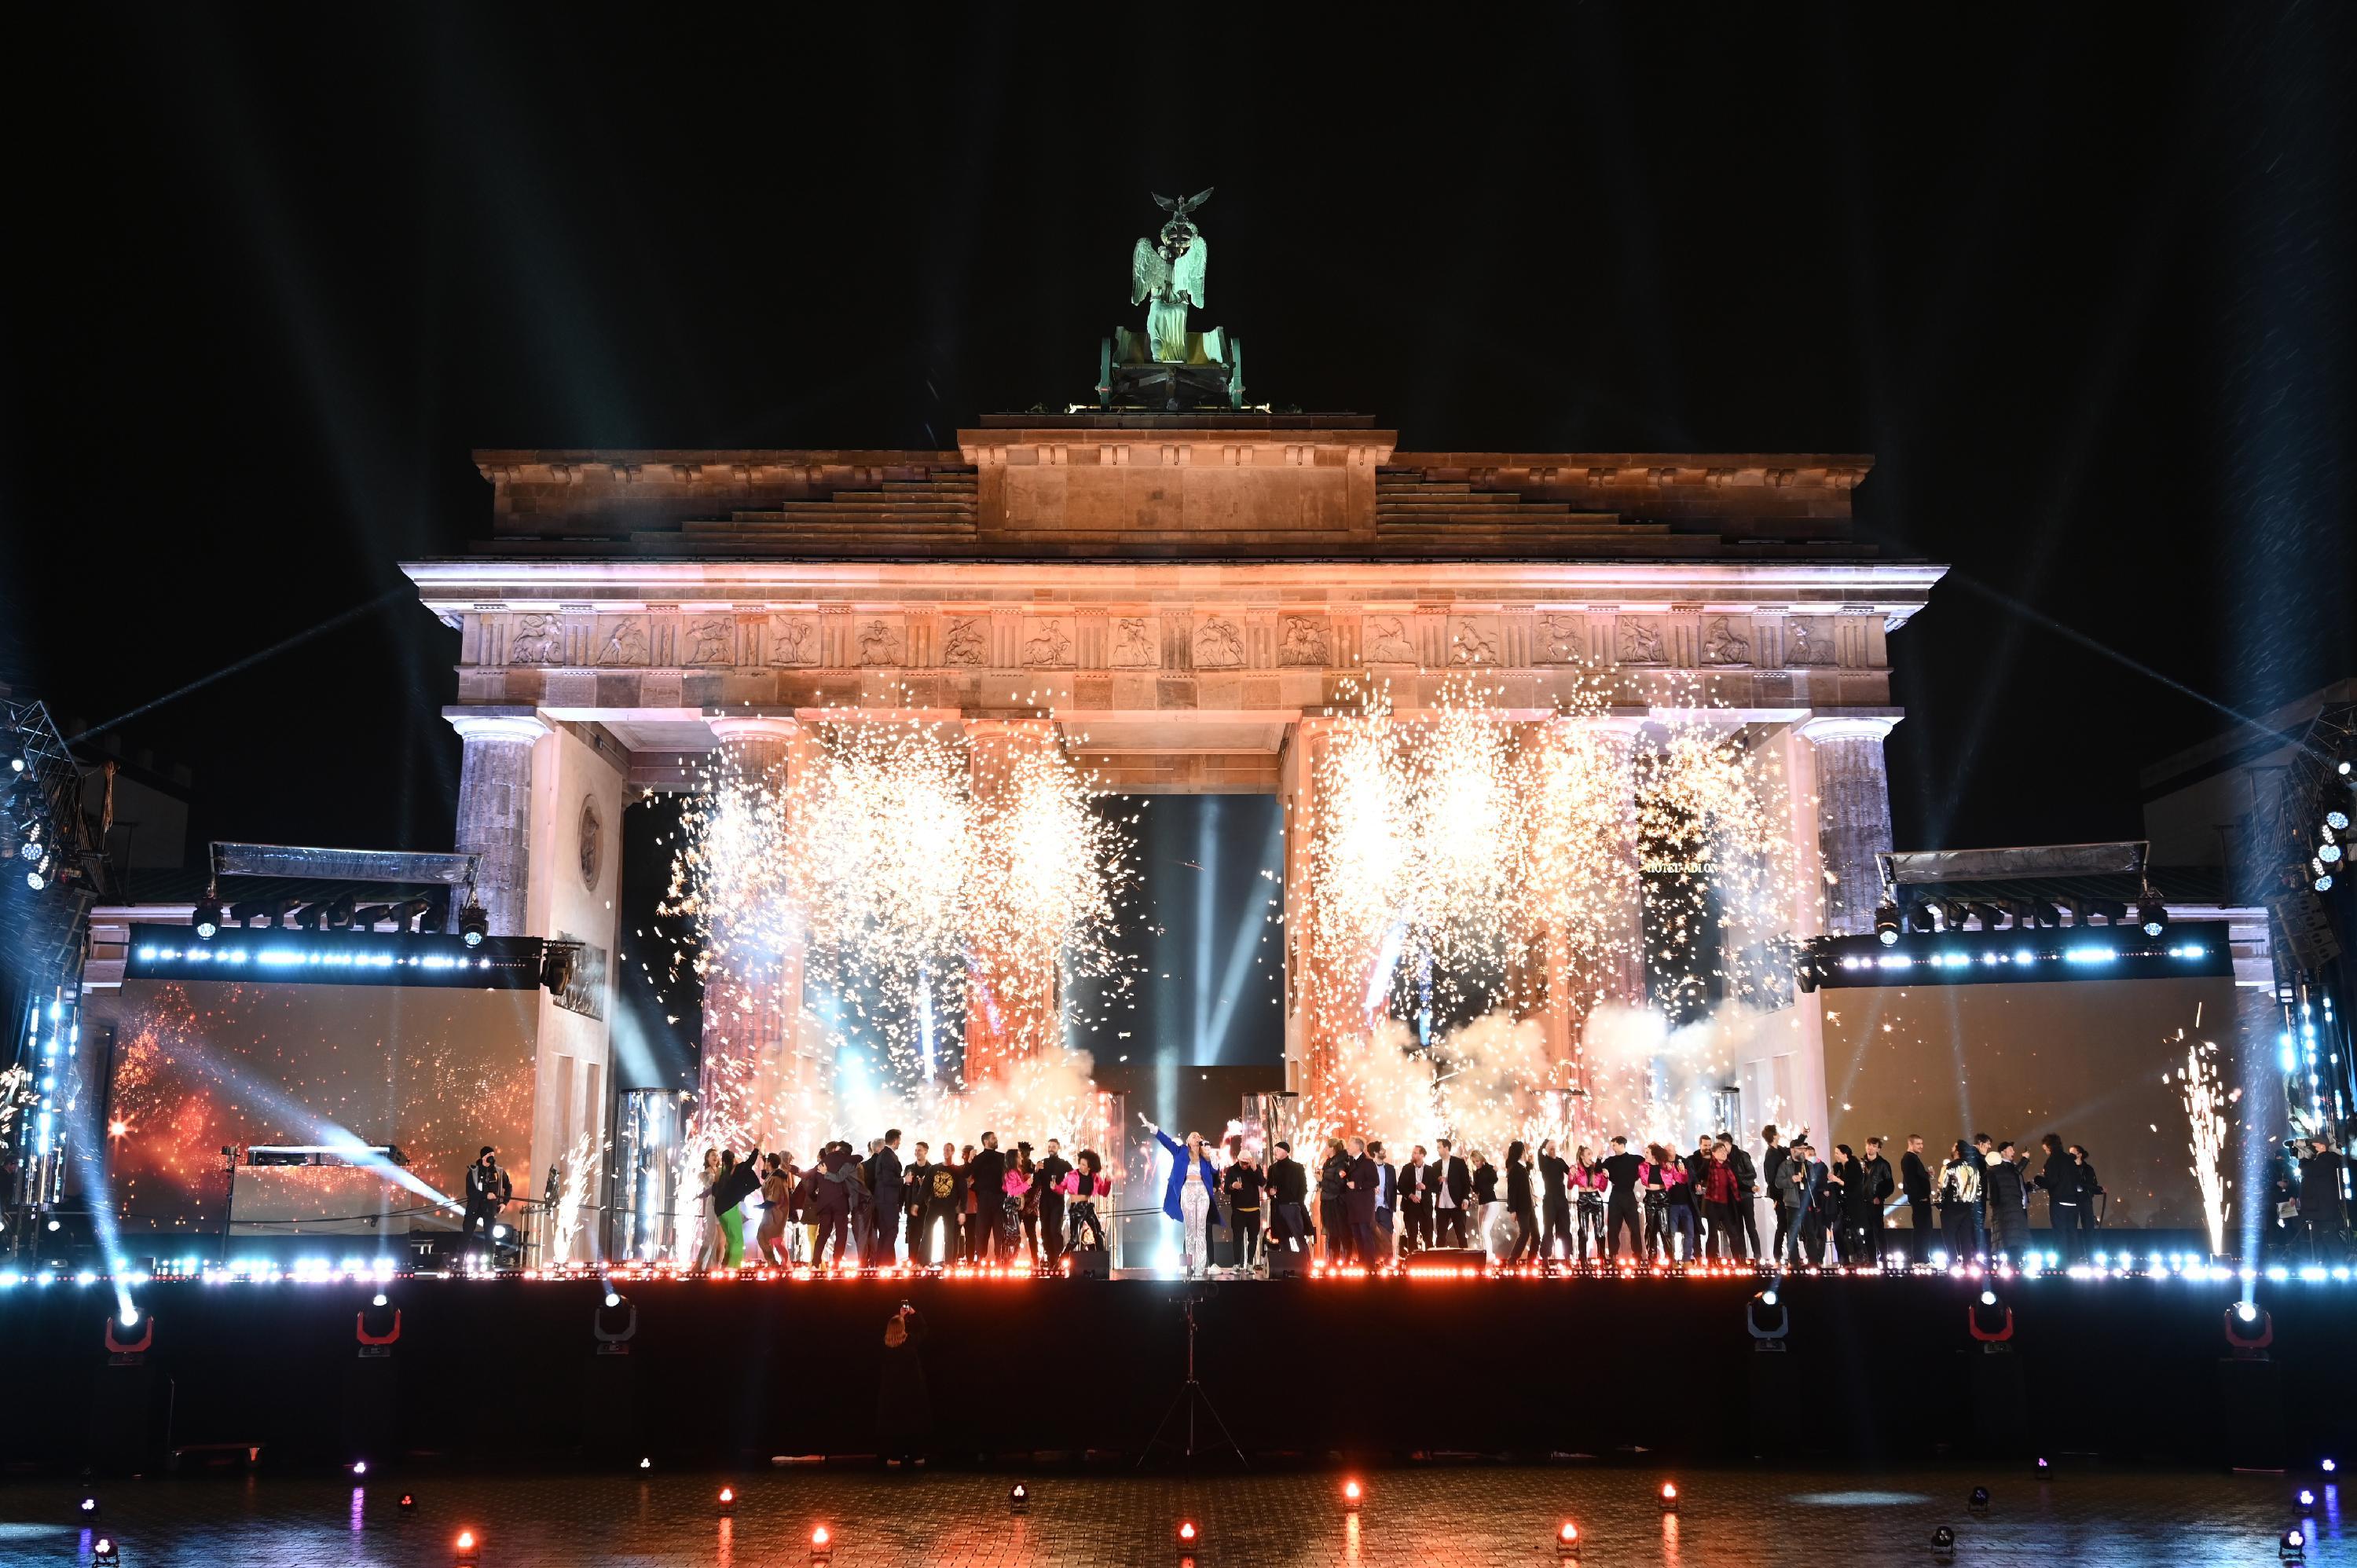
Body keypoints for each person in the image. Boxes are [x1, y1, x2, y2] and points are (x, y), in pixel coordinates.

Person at [1142, 1115, 1222, 1276]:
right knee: (1190, 1230)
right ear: (1188, 1140)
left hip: (1202, 1192)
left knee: (1201, 1230)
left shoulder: (1205, 1157)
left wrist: (1210, 1153)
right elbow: (1166, 1142)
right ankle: (1188, 1265)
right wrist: (1154, 1129)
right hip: (1188, 1191)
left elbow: (1215, 1170)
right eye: (1193, 1135)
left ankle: (1200, 1267)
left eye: (1198, 1136)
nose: (1196, 1137)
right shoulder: (1181, 1151)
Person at [876, 1302, 931, 1467]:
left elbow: (894, 1330)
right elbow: (924, 1330)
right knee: (913, 1423)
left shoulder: (885, 1346)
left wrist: (900, 1317)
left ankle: (894, 1455)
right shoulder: (910, 1342)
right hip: (912, 1393)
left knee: (894, 1426)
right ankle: (916, 1455)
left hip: (891, 1395)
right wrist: (913, 1315)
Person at [2297, 1137, 2346, 1257]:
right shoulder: (2322, 1160)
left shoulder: (2326, 1159)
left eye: (2313, 1145)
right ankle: (2328, 1266)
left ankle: (2341, 1265)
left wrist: (2303, 1159)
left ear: (2322, 1146)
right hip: (2319, 1209)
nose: (2311, 1147)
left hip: (2323, 1210)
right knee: (2320, 1242)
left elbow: (2307, 1171)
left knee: (2330, 1241)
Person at [2035, 1133, 2080, 1260]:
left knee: (2060, 1233)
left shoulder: (2052, 1161)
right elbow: (2077, 1179)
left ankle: (2063, 1263)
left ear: (2048, 1146)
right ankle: (2075, 1260)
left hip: (2059, 1202)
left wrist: (2038, 1179)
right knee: (2072, 1232)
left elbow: (2051, 1182)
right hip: (2073, 1202)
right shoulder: (2070, 1160)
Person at [1222, 1149, 1266, 1273]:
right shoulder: (1232, 1170)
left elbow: (1262, 1182)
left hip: (1253, 1209)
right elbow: (1226, 1189)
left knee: (1253, 1238)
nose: (1245, 1166)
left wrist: (1255, 1169)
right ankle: (1236, 1264)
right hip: (1238, 1210)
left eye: (1247, 1163)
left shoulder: (1254, 1168)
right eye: (1243, 1163)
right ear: (1238, 1160)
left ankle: (1250, 1264)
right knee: (1237, 1238)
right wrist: (1232, 1186)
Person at [1601, 1136, 1645, 1260]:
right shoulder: (1610, 1161)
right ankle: (1613, 1255)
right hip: (1615, 1194)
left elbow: (1647, 1165)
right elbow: (1599, 1169)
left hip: (1629, 1195)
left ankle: (1637, 1255)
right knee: (1613, 1227)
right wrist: (1601, 1161)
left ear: (1622, 1145)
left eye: (1614, 1145)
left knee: (1635, 1227)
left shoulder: (1635, 1159)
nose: (1612, 1147)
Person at [1985, 1139, 2029, 1259]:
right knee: (2015, 1238)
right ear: (2002, 1153)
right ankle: (2017, 1262)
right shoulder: (2006, 1169)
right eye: (2010, 1149)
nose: (2013, 1151)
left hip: (2009, 1207)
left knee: (2010, 1238)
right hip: (2013, 1206)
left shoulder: (1995, 1171)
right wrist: (2025, 1159)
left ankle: (2013, 1263)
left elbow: (1994, 1194)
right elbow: (2015, 1175)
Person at [464, 1146, 512, 1255]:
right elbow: (470, 1192)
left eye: (493, 1155)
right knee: (467, 1234)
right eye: (489, 1155)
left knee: (490, 1236)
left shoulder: (499, 1172)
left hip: (490, 1208)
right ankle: (460, 1260)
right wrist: (486, 1195)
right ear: (483, 1157)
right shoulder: (473, 1172)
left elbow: (508, 1187)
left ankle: (489, 1262)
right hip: (474, 1207)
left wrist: (504, 1203)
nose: (492, 1157)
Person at [968, 1133, 1007, 1262]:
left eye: (996, 1138)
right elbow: (966, 1175)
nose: (996, 1140)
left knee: (999, 1231)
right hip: (984, 1199)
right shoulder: (978, 1159)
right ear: (985, 1141)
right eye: (993, 1138)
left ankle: (999, 1259)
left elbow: (1011, 1175)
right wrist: (969, 1160)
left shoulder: (1003, 1157)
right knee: (981, 1231)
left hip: (1000, 1199)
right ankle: (980, 1259)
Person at [1267, 1140, 1311, 1254]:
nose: (1275, 1152)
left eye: (1278, 1150)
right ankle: (1288, 1264)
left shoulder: (1297, 1167)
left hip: (1292, 1206)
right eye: (1275, 1150)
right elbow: (1268, 1186)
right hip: (1278, 1206)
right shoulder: (1272, 1168)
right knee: (1282, 1237)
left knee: (1298, 1235)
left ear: (1286, 1151)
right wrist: (1270, 1191)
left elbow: (1303, 1187)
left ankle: (1305, 1262)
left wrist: (1297, 1202)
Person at [1700, 1139, 1742, 1260]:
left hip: (1726, 1205)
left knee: (1733, 1233)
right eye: (1720, 1151)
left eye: (1724, 1151)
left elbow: (1736, 1183)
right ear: (1714, 1153)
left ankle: (1738, 1259)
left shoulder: (1728, 1167)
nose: (1724, 1153)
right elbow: (1699, 1175)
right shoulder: (1709, 1166)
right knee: (1713, 1235)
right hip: (1713, 1204)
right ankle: (1710, 1260)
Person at [1938, 1139, 1980, 1258]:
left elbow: (1942, 1187)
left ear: (1957, 1151)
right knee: (1966, 1238)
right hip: (1968, 1207)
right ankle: (1968, 1265)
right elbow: (1978, 1190)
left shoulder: (1949, 1167)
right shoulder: (1973, 1169)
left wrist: (1939, 1203)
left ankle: (1952, 1264)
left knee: (1949, 1237)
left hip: (1951, 1207)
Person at [1722, 1129, 1761, 1261]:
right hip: (1733, 1197)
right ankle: (1742, 1257)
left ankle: (1757, 1256)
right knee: (1738, 1228)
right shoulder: (1724, 1160)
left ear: (1728, 1144)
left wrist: (1737, 1178)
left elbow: (1752, 1173)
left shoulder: (1742, 1155)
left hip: (1746, 1196)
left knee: (1751, 1227)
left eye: (1722, 1146)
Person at [1063, 1149, 1110, 1254]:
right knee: (1074, 1240)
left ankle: (1101, 1261)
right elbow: (1061, 1187)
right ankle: (1059, 1265)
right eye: (1080, 1163)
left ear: (1090, 1167)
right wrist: (1054, 1187)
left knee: (1098, 1233)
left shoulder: (1095, 1178)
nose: (1080, 1166)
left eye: (1083, 1165)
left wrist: (1108, 1181)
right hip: (1076, 1209)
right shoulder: (1072, 1175)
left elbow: (1104, 1193)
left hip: (1088, 1207)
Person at [1857, 1137, 1895, 1266]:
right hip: (1863, 1203)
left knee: (1878, 1230)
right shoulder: (1861, 1163)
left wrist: (1880, 1196)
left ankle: (1883, 1257)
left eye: (1874, 1146)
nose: (1870, 1147)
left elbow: (1890, 1185)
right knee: (1867, 1231)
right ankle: (1871, 1259)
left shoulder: (1883, 1164)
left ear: (1878, 1148)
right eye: (1869, 1145)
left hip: (1875, 1202)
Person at [1345, 1136, 1382, 1266]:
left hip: (1364, 1205)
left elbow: (1374, 1181)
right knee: (1357, 1235)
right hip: (1353, 1205)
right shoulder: (1349, 1162)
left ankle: (1369, 1263)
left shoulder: (1367, 1163)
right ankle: (1361, 1262)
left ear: (1357, 1147)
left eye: (1350, 1145)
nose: (1347, 1147)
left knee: (1365, 1233)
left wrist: (1358, 1185)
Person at [1502, 1140, 1540, 1263]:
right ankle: (1513, 1259)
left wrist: (1530, 1163)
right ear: (1521, 1152)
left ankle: (1531, 1259)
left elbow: (1526, 1174)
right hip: (1522, 1208)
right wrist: (1512, 1210)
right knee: (1525, 1233)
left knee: (1536, 1235)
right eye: (1524, 1150)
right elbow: (1511, 1191)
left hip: (1529, 1206)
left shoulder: (1520, 1167)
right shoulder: (1514, 1169)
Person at [871, 1129, 904, 1266]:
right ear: (896, 1140)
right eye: (899, 1140)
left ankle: (884, 1263)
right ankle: (883, 1264)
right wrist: (904, 1180)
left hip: (884, 1201)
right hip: (887, 1201)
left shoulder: (885, 1155)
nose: (900, 1143)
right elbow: (887, 1179)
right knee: (890, 1231)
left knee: (886, 1232)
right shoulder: (887, 1156)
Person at [1036, 1138, 1072, 1266]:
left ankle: (1057, 1257)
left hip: (1057, 1200)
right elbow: (1035, 1183)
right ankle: (1050, 1257)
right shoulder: (1042, 1163)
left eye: (1054, 1146)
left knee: (1054, 1230)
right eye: (1049, 1146)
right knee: (1045, 1230)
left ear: (1058, 1148)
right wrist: (1036, 1170)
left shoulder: (1063, 1164)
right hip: (1044, 1200)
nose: (1051, 1148)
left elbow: (1074, 1175)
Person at [1432, 1138, 1473, 1249]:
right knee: (1440, 1236)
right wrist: (1438, 1181)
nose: (1438, 1150)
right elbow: (1432, 1185)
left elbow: (1466, 1183)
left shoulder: (1459, 1163)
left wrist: (1465, 1199)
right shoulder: (1435, 1165)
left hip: (1457, 1204)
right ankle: (1438, 1262)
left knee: (1461, 1234)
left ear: (1446, 1148)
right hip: (1441, 1205)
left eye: (1439, 1147)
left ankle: (1466, 1261)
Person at [1760, 1126, 1792, 1263]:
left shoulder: (1779, 1150)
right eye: (1777, 1133)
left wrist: (1803, 1135)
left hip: (1786, 1195)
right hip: (1780, 1196)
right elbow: (1771, 1179)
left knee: (1787, 1226)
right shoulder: (1771, 1155)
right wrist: (1777, 1198)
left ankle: (1788, 1256)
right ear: (1774, 1136)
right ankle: (1778, 1256)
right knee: (1783, 1226)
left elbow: (1791, 1149)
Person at [1318, 1139, 1353, 1264]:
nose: (1325, 1149)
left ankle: (1346, 1260)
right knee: (1332, 1232)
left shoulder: (1341, 1163)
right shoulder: (1329, 1163)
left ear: (1332, 1148)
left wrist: (1322, 1182)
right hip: (1328, 1202)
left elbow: (1339, 1187)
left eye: (1326, 1147)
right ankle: (1334, 1260)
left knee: (1342, 1231)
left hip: (1337, 1203)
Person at [1537, 1139, 1572, 1260]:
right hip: (1549, 1200)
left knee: (1565, 1229)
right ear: (1547, 1150)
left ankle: (1567, 1256)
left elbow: (1570, 1173)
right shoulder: (1544, 1161)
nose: (1553, 1151)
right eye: (1550, 1149)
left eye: (1554, 1148)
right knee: (1548, 1229)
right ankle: (1545, 1257)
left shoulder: (1560, 1161)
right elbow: (1539, 1152)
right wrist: (1545, 1141)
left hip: (1562, 1199)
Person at [1901, 1134, 1934, 1262]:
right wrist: (1920, 1197)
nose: (1921, 1146)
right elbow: (1910, 1180)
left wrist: (1926, 1175)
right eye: (1918, 1144)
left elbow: (1915, 1177)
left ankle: (1923, 1258)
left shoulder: (1912, 1158)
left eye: (1922, 1143)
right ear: (1911, 1144)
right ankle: (1921, 1259)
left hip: (1921, 1199)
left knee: (1925, 1229)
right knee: (1923, 1229)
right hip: (1920, 1200)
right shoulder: (1909, 1158)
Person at [1396, 1145, 1435, 1256]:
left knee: (1428, 1235)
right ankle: (1412, 1260)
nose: (1413, 1155)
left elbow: (1436, 1187)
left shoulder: (1430, 1170)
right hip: (1410, 1207)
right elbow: (1400, 1185)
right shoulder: (1406, 1168)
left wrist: (1425, 1187)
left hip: (1425, 1207)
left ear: (1422, 1155)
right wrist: (1410, 1195)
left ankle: (1431, 1260)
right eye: (1413, 1153)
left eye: (1415, 1153)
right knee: (1411, 1234)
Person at [756, 1152, 794, 1265]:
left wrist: (759, 1206)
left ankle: (775, 1262)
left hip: (776, 1214)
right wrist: (763, 1157)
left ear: (770, 1163)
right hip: (772, 1213)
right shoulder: (773, 1175)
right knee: (775, 1240)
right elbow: (764, 1176)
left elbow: (774, 1198)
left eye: (766, 1163)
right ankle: (781, 1263)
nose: (765, 1165)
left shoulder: (777, 1178)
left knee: (763, 1237)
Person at [1571, 1145, 1607, 1261]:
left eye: (1591, 1154)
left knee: (1600, 1231)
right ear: (1582, 1156)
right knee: (1583, 1231)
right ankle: (1582, 1259)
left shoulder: (1596, 1168)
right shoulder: (1576, 1168)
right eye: (1588, 1154)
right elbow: (1569, 1185)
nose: (1591, 1157)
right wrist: (1572, 1175)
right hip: (1583, 1200)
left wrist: (1606, 1177)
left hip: (1596, 1199)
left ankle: (1601, 1258)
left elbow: (1602, 1188)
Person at [1007, 1145, 1039, 1263]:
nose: (1023, 1156)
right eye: (1021, 1153)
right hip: (1016, 1205)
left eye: (1026, 1154)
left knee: (1031, 1234)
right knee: (1013, 1235)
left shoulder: (1034, 1169)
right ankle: (1010, 1259)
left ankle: (1035, 1261)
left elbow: (1038, 1189)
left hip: (1030, 1207)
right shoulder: (1014, 1171)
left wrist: (1031, 1205)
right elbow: (1011, 1189)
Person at [1470, 1149, 1502, 1260]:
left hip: (1491, 1203)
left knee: (1484, 1230)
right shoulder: (1476, 1173)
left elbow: (1494, 1180)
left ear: (1481, 1159)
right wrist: (1471, 1182)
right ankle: (1484, 1255)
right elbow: (1477, 1190)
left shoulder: (1489, 1168)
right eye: (1474, 1162)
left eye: (1477, 1161)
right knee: (1481, 1232)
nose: (1476, 1164)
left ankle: (1489, 1256)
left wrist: (1495, 1171)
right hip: (1482, 1204)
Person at [1369, 1140, 1397, 1265]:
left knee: (1387, 1233)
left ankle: (1389, 1260)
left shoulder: (1390, 1169)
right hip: (1370, 1207)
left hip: (1385, 1207)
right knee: (1372, 1234)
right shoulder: (1368, 1167)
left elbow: (1394, 1187)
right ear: (1375, 1152)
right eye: (1381, 1149)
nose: (1384, 1150)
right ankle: (1373, 1261)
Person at [2070, 1143, 2102, 1247]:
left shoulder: (2088, 1169)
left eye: (2072, 1153)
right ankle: (2073, 1252)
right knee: (2071, 1227)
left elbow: (2092, 1185)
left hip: (2086, 1200)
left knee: (2089, 1227)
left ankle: (2090, 1252)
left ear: (2079, 1154)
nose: (2069, 1155)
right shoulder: (2067, 1168)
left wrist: (2099, 1190)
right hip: (2072, 1200)